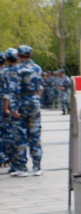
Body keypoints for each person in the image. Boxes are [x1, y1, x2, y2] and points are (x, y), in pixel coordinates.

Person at [8, 46, 43, 177]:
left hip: (21, 102)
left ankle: (22, 167)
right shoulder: (37, 68)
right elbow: (39, 88)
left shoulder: (15, 69)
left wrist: (13, 108)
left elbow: (13, 90)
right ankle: (37, 167)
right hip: (34, 102)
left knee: (20, 136)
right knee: (35, 135)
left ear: (18, 55)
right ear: (30, 55)